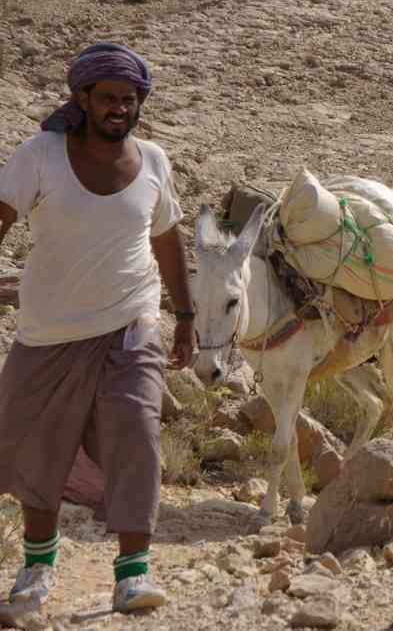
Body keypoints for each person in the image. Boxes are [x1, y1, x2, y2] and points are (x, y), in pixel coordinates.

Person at [0, 42, 194, 617]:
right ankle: (37, 569)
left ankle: (132, 574)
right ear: (81, 98)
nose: (119, 108)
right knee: (39, 449)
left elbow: (167, 239)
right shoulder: (40, 155)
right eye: (107, 98)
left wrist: (184, 316)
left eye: (129, 100)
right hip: (48, 331)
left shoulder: (155, 161)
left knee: (137, 436)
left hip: (131, 323)